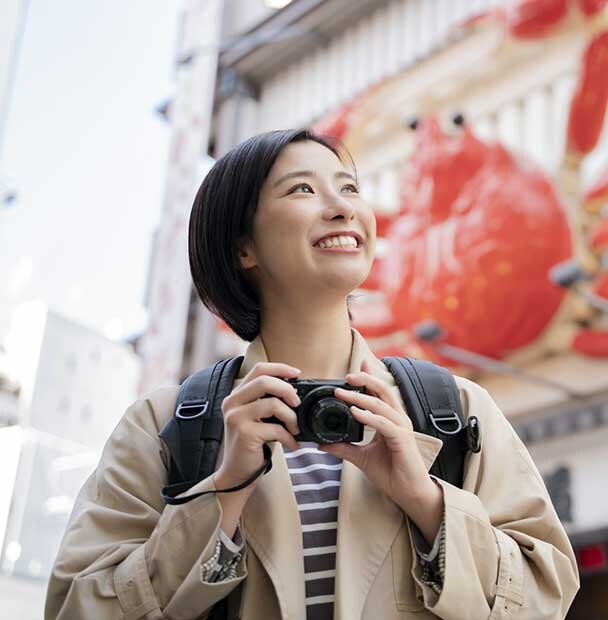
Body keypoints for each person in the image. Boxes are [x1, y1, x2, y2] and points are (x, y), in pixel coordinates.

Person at [45, 128, 580, 619]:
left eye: (349, 188)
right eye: (302, 189)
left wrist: (425, 499)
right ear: (244, 247)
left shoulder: (456, 409)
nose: (342, 208)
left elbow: (545, 595)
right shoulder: (161, 426)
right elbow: (76, 607)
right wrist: (223, 493)